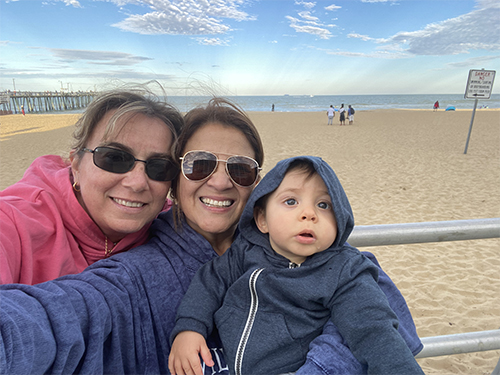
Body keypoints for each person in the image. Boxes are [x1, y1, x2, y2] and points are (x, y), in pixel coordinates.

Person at [0, 98, 421, 375]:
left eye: (239, 168)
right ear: (176, 178)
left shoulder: (293, 243)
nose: (219, 182)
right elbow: (73, 311)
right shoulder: (141, 266)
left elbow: (380, 315)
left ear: (259, 186)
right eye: (199, 164)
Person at [169, 156, 424, 375]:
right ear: (262, 219)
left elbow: (374, 330)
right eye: (291, 201)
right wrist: (190, 327)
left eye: (324, 205)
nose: (309, 214)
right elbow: (209, 282)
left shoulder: (344, 272)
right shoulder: (244, 253)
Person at [0, 89, 183, 284]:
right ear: (76, 165)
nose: (138, 183)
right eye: (114, 158)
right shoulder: (16, 221)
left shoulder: (170, 228)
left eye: (160, 167)